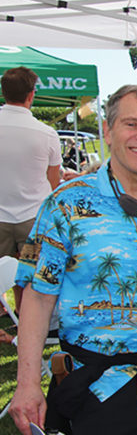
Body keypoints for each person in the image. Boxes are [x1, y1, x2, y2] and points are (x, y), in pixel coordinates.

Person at [9, 83, 137, 435]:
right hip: (98, 390)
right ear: (108, 129)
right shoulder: (65, 204)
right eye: (132, 124)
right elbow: (38, 297)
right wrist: (27, 383)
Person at [0, 67, 62, 309]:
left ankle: (8, 310)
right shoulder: (46, 133)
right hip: (33, 216)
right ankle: (25, 313)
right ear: (31, 94)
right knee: (31, 274)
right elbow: (54, 182)